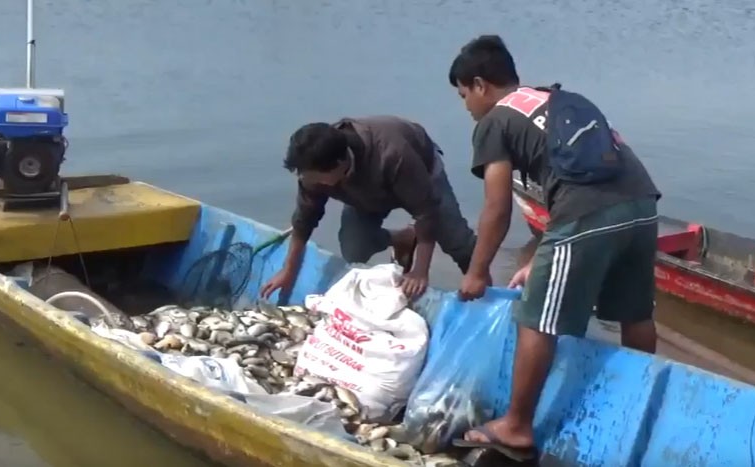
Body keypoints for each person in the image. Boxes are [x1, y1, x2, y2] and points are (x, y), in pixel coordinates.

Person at [447, 34, 662, 460]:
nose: (465, 106)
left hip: (587, 214)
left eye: (462, 95)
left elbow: (496, 207)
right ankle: (640, 396)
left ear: (480, 85)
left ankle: (515, 426)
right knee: (635, 313)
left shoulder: (494, 122)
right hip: (642, 205)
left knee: (536, 317)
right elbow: (582, 171)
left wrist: (476, 270)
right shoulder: (555, 98)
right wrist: (544, 255)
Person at [259, 116, 478, 299]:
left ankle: (485, 292)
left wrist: (420, 271)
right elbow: (304, 220)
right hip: (365, 192)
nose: (312, 183)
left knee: (457, 242)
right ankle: (404, 238)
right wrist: (288, 271)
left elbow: (427, 211)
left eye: (318, 179)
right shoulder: (312, 170)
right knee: (355, 247)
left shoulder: (393, 155)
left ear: (339, 165)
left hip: (420, 173)